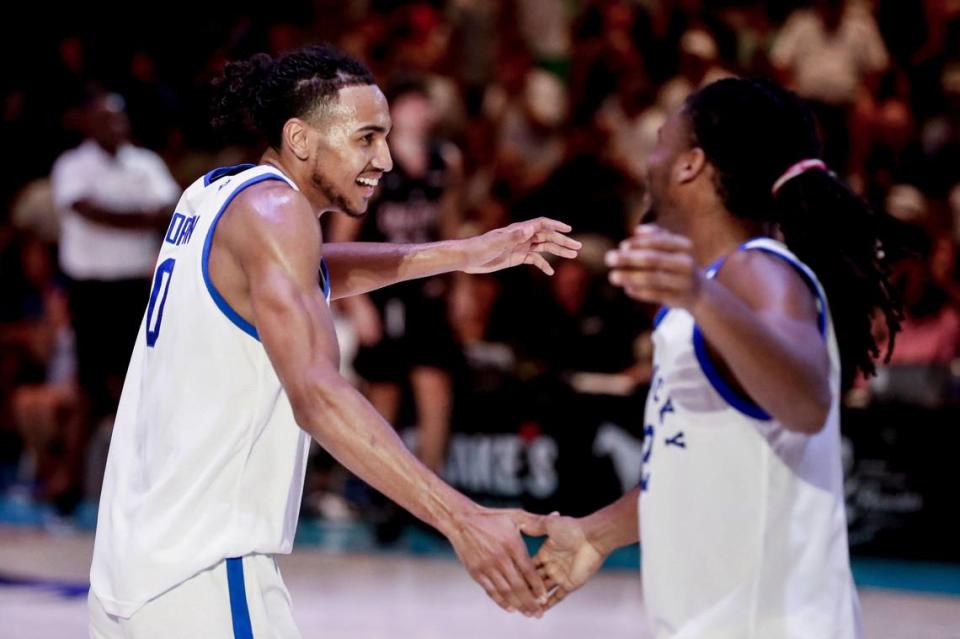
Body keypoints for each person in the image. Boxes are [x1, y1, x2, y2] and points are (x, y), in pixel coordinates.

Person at [88, 45, 581, 638]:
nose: (387, 160)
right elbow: (317, 395)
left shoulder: (218, 192)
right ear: (301, 138)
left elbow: (312, 269)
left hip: (132, 569)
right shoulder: (278, 210)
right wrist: (462, 518)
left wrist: (462, 254)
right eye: (367, 138)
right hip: (205, 574)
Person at [533, 78, 901, 638]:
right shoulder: (717, 289)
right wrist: (595, 534)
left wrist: (699, 297)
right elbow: (696, 466)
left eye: (660, 143)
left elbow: (807, 401)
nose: (648, 162)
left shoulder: (758, 271)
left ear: (691, 165)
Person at [50, 92, 180, 512]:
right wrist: (141, 218)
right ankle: (68, 484)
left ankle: (142, 486)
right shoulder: (72, 166)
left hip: (134, 290)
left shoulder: (145, 164)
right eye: (107, 121)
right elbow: (87, 210)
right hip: (89, 291)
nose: (116, 128)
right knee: (88, 388)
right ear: (90, 124)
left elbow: (172, 208)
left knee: (140, 384)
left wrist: (131, 218)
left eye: (120, 121)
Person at [330, 75, 461, 476]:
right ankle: (377, 486)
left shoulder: (447, 159)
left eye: (426, 103)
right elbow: (341, 238)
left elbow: (451, 228)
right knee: (382, 390)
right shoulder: (376, 163)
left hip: (426, 284)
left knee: (435, 382)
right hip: (380, 285)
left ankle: (433, 481)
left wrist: (462, 285)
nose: (422, 111)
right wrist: (356, 304)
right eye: (412, 103)